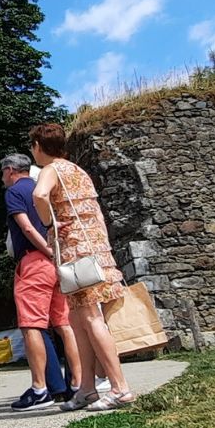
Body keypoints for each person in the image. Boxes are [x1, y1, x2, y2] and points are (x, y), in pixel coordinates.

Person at [29, 123, 136, 412]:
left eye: (33, 146)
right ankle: (86, 388)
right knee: (77, 319)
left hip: (76, 251)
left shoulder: (51, 170)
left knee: (90, 317)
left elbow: (39, 195)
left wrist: (50, 223)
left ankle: (119, 387)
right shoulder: (77, 171)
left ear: (39, 146)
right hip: (95, 248)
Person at [1, 153, 81, 411]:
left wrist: (45, 250)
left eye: (3, 173)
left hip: (34, 262)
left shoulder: (14, 192)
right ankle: (78, 382)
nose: (3, 178)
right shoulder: (42, 187)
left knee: (31, 325)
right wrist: (56, 253)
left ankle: (40, 388)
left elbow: (26, 228)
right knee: (63, 323)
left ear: (11, 170)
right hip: (57, 263)